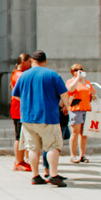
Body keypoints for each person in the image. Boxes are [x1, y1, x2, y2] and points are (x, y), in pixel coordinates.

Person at [12, 50, 70, 187]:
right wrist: (66, 106)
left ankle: (35, 175)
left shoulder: (24, 76)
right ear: (45, 60)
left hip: (27, 117)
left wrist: (28, 103)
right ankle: (53, 174)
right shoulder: (52, 75)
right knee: (53, 147)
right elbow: (64, 93)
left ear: (32, 60)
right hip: (48, 116)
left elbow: (16, 96)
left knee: (33, 148)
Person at [66, 63, 98, 163]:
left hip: (86, 109)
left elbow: (92, 95)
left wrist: (93, 95)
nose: (79, 71)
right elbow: (70, 89)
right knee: (75, 133)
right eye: (76, 70)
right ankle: (73, 155)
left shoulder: (87, 82)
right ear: (72, 72)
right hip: (76, 109)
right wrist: (77, 78)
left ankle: (82, 155)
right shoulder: (70, 81)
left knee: (84, 134)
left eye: (81, 69)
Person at [9, 53, 32, 171]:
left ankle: (21, 160)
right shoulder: (19, 75)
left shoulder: (17, 74)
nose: (31, 64)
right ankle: (19, 161)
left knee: (21, 136)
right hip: (19, 110)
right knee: (19, 137)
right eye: (30, 62)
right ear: (24, 62)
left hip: (19, 109)